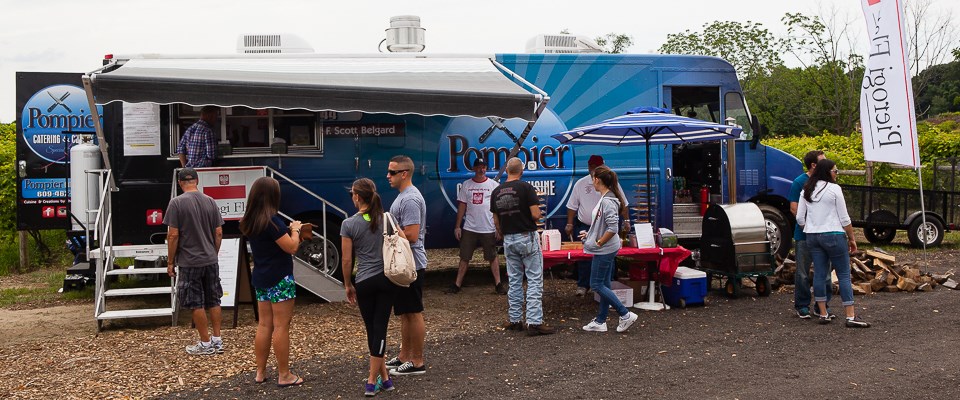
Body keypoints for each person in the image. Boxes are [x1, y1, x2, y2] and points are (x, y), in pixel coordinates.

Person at [240, 176, 304, 387]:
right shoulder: (272, 221)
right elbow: (291, 247)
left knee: (264, 324)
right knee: (281, 326)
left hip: (261, 277)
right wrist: (295, 230)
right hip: (280, 278)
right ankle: (284, 375)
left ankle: (260, 372)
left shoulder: (251, 221)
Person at [796, 159, 870, 328]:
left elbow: (800, 217)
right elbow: (844, 218)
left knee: (820, 274)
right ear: (827, 172)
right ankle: (850, 316)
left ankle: (823, 313)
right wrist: (852, 238)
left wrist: (809, 227)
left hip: (813, 236)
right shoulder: (834, 189)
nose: (836, 174)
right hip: (834, 234)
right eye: (835, 171)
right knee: (843, 275)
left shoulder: (806, 189)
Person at [341, 178, 397, 396]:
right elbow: (400, 240)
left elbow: (347, 260)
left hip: (364, 280)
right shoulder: (386, 219)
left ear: (356, 196)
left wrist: (347, 284)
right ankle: (385, 377)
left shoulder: (349, 224)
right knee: (379, 328)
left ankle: (372, 380)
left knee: (372, 329)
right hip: (386, 279)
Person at [491, 157, 556, 336]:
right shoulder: (526, 188)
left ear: (506, 171)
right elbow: (535, 214)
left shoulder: (496, 191)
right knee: (534, 279)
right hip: (526, 236)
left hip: (508, 239)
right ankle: (534, 322)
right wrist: (536, 215)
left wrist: (502, 231)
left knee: (514, 280)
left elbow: (496, 218)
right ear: (522, 171)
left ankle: (515, 320)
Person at [164, 167, 225, 355]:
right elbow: (219, 232)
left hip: (190, 261)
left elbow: (173, 235)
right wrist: (213, 252)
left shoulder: (176, 203)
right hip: (210, 259)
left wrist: (170, 261)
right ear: (197, 181)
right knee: (214, 299)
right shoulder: (210, 201)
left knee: (195, 302)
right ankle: (217, 339)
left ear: (181, 183)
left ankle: (205, 343)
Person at [580, 166, 639, 333]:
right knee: (604, 283)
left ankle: (625, 314)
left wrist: (598, 242)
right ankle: (600, 321)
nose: (592, 182)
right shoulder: (606, 198)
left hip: (604, 249)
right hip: (608, 247)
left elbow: (613, 227)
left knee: (596, 284)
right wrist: (590, 234)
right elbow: (604, 224)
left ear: (597, 180)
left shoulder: (607, 201)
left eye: (593, 179)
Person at [384, 155, 429, 376]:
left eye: (392, 172)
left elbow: (411, 234)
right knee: (404, 313)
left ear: (404, 173)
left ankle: (417, 361)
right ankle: (404, 355)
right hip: (404, 263)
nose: (388, 176)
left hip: (411, 263)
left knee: (413, 311)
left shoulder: (410, 199)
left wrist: (389, 227)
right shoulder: (403, 197)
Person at [565, 155, 629, 296]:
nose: (593, 171)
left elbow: (622, 206)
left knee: (606, 258)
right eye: (592, 167)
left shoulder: (610, 190)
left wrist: (626, 221)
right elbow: (572, 205)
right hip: (587, 226)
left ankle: (608, 286)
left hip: (606, 230)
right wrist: (571, 223)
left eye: (597, 168)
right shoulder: (581, 184)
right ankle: (585, 285)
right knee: (585, 257)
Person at [448, 158, 505, 295]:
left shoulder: (493, 185)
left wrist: (499, 228)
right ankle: (457, 284)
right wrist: (457, 226)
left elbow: (498, 208)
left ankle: (498, 284)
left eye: (484, 167)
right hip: (470, 228)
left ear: (486, 168)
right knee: (464, 257)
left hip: (489, 227)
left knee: (492, 257)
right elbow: (462, 207)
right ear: (473, 169)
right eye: (479, 167)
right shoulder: (466, 185)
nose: (481, 170)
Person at [788, 150, 831, 319]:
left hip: (824, 233)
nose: (827, 164)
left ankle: (822, 305)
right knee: (803, 272)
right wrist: (808, 225)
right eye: (823, 161)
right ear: (814, 165)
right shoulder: (800, 182)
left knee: (825, 272)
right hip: (804, 235)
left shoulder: (826, 181)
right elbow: (794, 207)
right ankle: (802, 305)